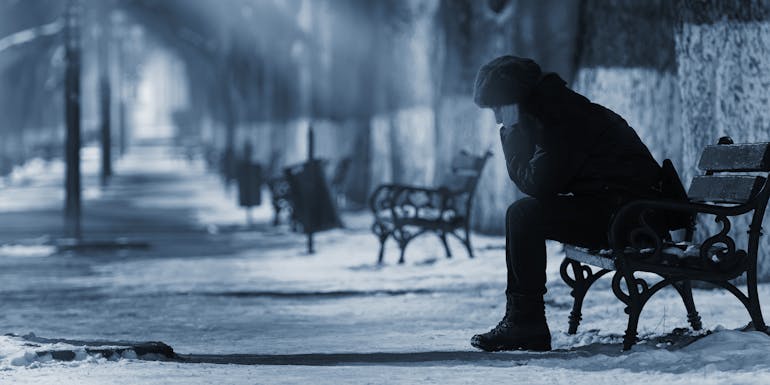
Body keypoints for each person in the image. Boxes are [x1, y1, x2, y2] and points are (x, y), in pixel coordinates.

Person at [470, 55, 665, 352]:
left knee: (524, 214)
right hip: (622, 209)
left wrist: (511, 134)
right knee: (524, 214)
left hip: (631, 218)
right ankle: (524, 320)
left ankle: (526, 322)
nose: (498, 117)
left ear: (514, 100)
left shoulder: (561, 119)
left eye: (499, 107)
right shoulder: (554, 111)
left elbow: (539, 185)